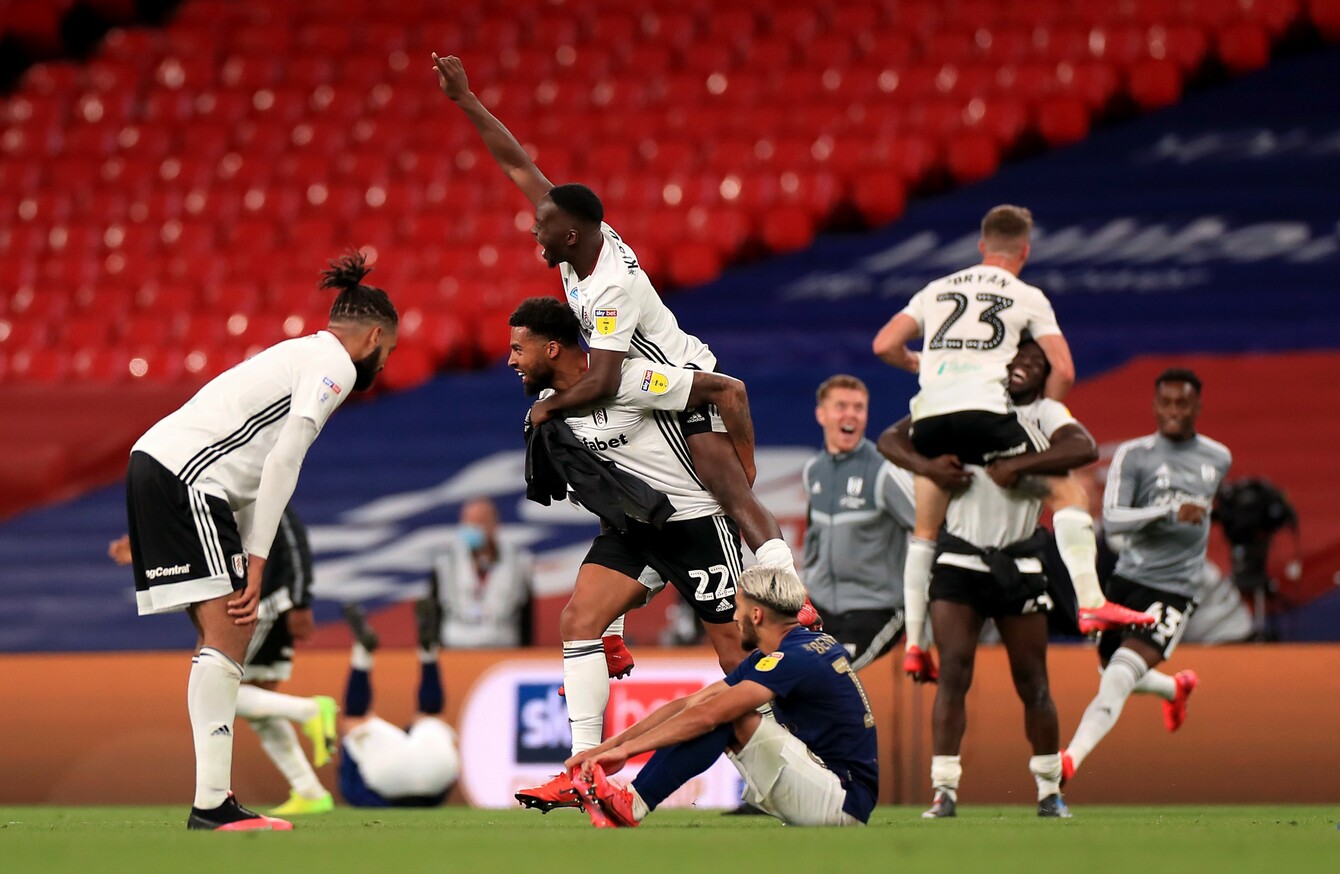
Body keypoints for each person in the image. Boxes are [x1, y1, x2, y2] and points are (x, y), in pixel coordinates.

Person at [431, 53, 797, 576]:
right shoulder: (579, 242)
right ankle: (623, 614)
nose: (535, 229)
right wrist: (466, 100)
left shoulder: (609, 288)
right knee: (611, 484)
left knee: (728, 495)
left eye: (543, 226)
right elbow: (518, 166)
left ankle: (790, 596)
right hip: (635, 379)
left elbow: (602, 380)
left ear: (571, 235)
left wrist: (549, 407)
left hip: (676, 379)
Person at [122, 252, 397, 831]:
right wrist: (257, 560)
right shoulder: (335, 367)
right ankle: (212, 805)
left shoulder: (296, 352)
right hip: (188, 478)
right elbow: (283, 461)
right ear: (374, 335)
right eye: (388, 351)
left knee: (221, 635)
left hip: (163, 468)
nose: (383, 363)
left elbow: (248, 464)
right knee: (232, 629)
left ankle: (213, 802)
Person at [505, 296, 760, 812]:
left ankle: (787, 768)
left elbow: (728, 390)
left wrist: (743, 483)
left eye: (518, 348)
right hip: (635, 530)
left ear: (551, 348)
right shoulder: (554, 414)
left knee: (739, 659)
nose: (510, 360)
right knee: (579, 621)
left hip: (696, 525)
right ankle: (583, 771)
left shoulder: (628, 378)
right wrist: (614, 631)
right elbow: (607, 489)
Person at [880, 339, 1104, 818]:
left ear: (1046, 375)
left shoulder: (1045, 413)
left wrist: (1019, 466)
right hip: (960, 559)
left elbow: (1084, 447)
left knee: (1033, 681)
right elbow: (891, 440)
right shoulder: (960, 400)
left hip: (1019, 561)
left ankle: (1049, 789)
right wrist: (928, 466)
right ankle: (944, 791)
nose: (1024, 366)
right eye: (1018, 358)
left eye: (1035, 362)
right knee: (954, 674)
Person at [563, 565, 877, 828]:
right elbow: (689, 704)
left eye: (737, 607)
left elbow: (709, 715)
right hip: (832, 785)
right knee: (714, 711)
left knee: (728, 716)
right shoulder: (799, 646)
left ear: (756, 614)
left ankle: (632, 803)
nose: (735, 618)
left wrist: (627, 752)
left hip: (842, 801)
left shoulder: (793, 659)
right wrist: (606, 748)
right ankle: (633, 800)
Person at [108, 509, 339, 816]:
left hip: (263, 602)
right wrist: (146, 554)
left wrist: (301, 599)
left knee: (215, 687)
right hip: (254, 600)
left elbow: (295, 542)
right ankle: (309, 790)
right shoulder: (219, 493)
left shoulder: (259, 486)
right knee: (255, 700)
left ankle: (308, 710)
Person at [1061, 369, 1232, 783]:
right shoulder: (1134, 456)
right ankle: (1175, 690)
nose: (1174, 411)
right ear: (1155, 406)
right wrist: (1169, 512)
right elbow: (1114, 521)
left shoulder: (1218, 457)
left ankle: (1069, 760)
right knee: (1114, 673)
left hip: (1176, 588)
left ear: (1198, 407)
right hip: (1127, 582)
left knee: (1120, 674)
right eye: (1167, 403)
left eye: (1183, 403)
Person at [802, 374, 916, 669]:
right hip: (822, 611)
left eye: (859, 407)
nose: (850, 414)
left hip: (877, 610)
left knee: (828, 674)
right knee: (786, 676)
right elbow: (815, 538)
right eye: (841, 406)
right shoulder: (813, 471)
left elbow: (928, 529)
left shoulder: (884, 471)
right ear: (821, 414)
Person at [336, 604, 461, 807]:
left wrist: (383, 806)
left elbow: (352, 787)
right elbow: (450, 777)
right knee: (432, 715)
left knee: (355, 719)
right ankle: (428, 654)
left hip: (388, 778)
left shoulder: (386, 743)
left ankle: (362, 653)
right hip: (435, 773)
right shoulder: (421, 736)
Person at [430, 496, 536, 648]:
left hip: (502, 647)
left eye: (478, 522)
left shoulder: (518, 562)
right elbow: (435, 611)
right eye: (467, 522)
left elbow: (526, 617)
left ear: (494, 524)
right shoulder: (445, 563)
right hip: (455, 648)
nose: (471, 528)